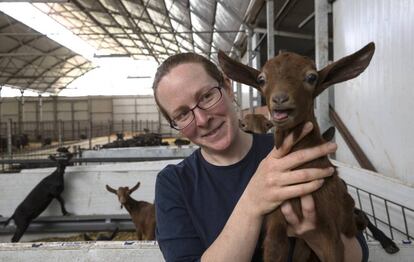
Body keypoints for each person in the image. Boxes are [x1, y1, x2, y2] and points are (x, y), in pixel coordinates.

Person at [152, 53, 368, 262]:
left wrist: (314, 235)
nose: (201, 119)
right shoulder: (174, 184)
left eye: (207, 96)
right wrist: (252, 202)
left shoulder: (296, 153)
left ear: (228, 87)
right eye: (181, 114)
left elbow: (358, 253)